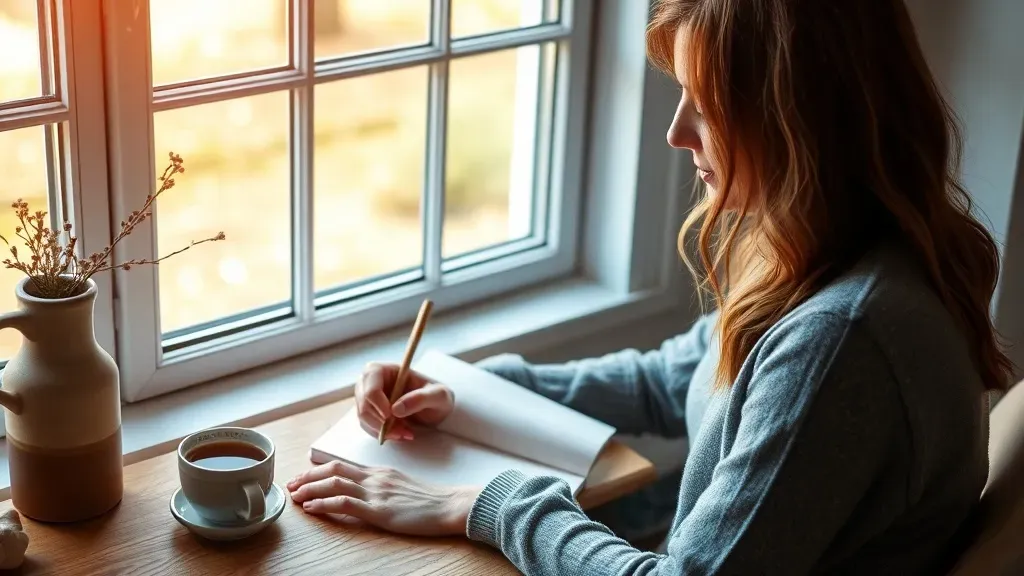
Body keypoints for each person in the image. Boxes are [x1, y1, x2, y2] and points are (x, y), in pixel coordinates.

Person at [287, 0, 1015, 573]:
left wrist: (486, 503)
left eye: (706, 102)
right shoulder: (830, 249)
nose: (676, 132)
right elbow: (675, 382)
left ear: (796, 120)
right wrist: (472, 393)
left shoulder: (843, 341)